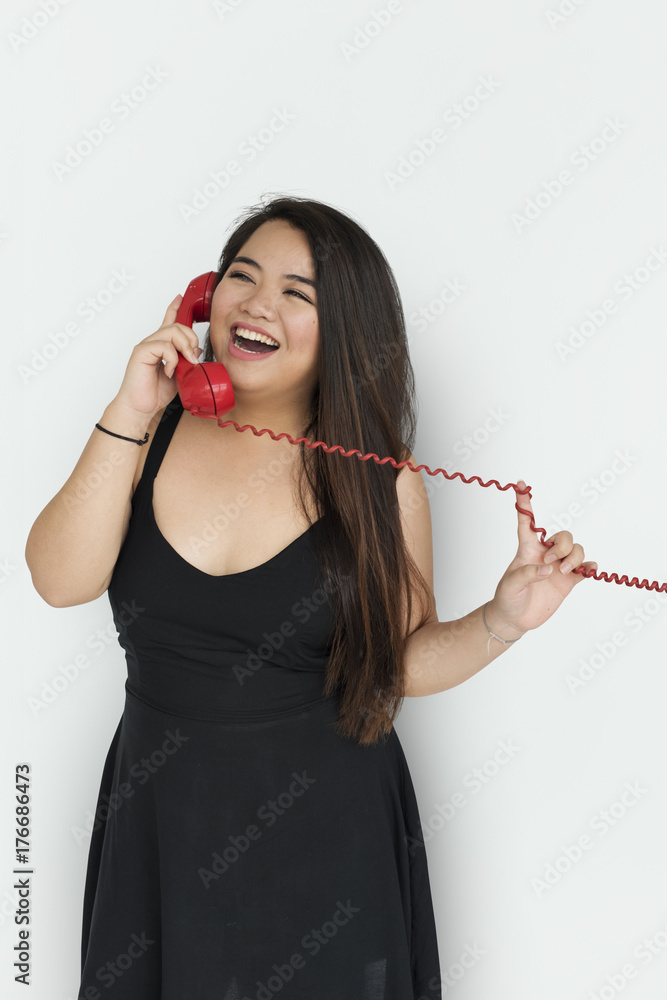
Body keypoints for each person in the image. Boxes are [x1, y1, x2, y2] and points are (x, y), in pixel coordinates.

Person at [25, 195, 595, 999]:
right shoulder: (146, 432)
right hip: (162, 816)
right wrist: (130, 407)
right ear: (202, 299)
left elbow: (395, 665)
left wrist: (501, 621)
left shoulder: (378, 481)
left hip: (326, 833)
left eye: (299, 292)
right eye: (240, 277)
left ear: (345, 332)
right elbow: (57, 581)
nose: (257, 302)